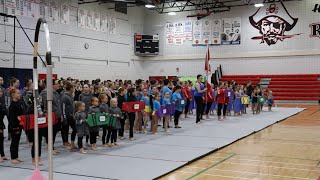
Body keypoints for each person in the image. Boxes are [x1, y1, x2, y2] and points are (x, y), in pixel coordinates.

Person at [40, 79, 62, 155]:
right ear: (51, 85)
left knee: (54, 132)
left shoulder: (56, 93)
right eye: (56, 84)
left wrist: (60, 115)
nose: (58, 85)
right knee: (50, 132)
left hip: (56, 115)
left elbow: (58, 105)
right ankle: (50, 147)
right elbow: (45, 105)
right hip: (50, 115)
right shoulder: (45, 93)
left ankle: (51, 146)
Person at [8, 89, 24, 164]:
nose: (19, 94)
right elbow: (12, 118)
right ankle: (13, 158)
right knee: (14, 142)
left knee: (17, 142)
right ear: (13, 95)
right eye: (17, 93)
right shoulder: (12, 106)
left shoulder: (19, 103)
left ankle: (16, 156)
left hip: (19, 125)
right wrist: (14, 126)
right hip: (14, 126)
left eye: (19, 93)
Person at [61, 81, 77, 150]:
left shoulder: (71, 96)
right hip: (66, 116)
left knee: (75, 128)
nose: (74, 89)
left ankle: (70, 142)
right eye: (73, 87)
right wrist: (64, 117)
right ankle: (65, 142)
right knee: (65, 129)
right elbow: (63, 108)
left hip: (71, 116)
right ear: (71, 88)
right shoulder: (64, 97)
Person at [0, 88, 8, 163]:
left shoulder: (1, 102)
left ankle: (2, 154)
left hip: (1, 123)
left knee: (1, 139)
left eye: (2, 91)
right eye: (0, 91)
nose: (2, 92)